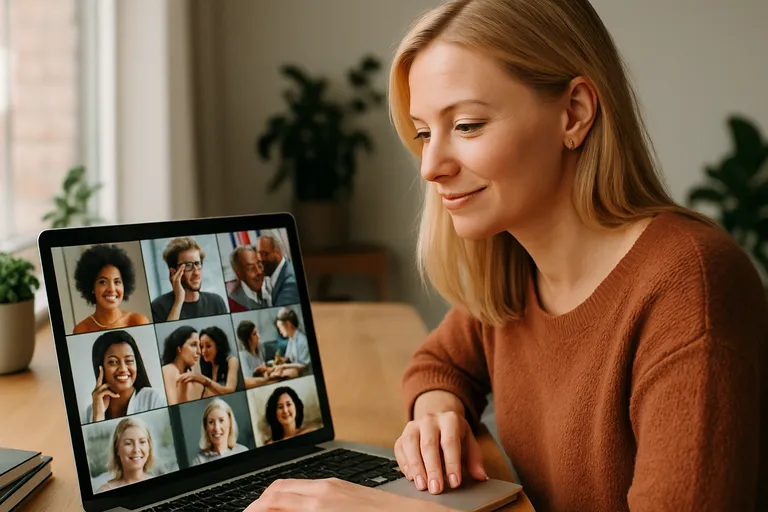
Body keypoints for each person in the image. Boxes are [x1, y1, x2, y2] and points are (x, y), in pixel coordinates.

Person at [246, 1, 768, 511]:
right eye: (425, 132)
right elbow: (440, 363)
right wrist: (437, 411)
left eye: (468, 125)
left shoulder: (692, 286)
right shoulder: (514, 266)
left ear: (575, 113)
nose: (430, 166)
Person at [83, 330, 166, 424]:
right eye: (113, 362)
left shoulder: (154, 399)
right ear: (100, 367)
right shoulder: (90, 411)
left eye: (129, 360)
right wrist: (98, 416)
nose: (123, 369)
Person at [72, 244, 150, 334]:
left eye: (117, 282)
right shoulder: (81, 330)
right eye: (103, 282)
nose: (112, 289)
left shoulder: (138, 321)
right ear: (91, 287)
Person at [150, 237, 228, 322]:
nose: (196, 273)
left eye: (197, 264)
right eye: (188, 265)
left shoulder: (216, 302)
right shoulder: (158, 306)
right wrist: (178, 301)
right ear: (173, 272)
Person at [96, 417, 155, 492]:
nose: (136, 450)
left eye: (142, 442)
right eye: (128, 443)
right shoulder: (105, 490)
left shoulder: (160, 483)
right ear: (117, 449)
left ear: (149, 446)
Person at [191, 398, 249, 465]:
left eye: (221, 420)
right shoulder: (199, 461)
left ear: (230, 422)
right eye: (211, 422)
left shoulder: (243, 451)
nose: (216, 428)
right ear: (205, 427)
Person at [160, 325, 204, 406]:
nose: (199, 351)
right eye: (194, 345)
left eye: (200, 346)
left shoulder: (193, 376)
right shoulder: (169, 370)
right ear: (179, 348)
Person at [254, 235, 299, 307]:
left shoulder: (290, 282)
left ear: (278, 252)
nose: (261, 259)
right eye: (259, 254)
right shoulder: (273, 275)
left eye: (265, 254)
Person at [199, 326, 241, 398]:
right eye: (201, 346)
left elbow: (230, 390)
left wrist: (206, 381)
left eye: (208, 346)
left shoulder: (232, 360)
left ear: (218, 346)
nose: (204, 351)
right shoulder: (206, 365)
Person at [268, 307, 310, 379]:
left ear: (288, 324)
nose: (280, 331)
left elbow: (304, 365)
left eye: (280, 327)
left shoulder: (302, 340)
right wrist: (279, 360)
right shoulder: (291, 339)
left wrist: (284, 366)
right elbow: (288, 358)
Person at [228, 245, 271, 312]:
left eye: (259, 265)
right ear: (239, 274)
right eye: (251, 268)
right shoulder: (234, 305)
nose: (259, 272)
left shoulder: (272, 285)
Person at [236, 320, 272, 389]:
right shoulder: (243, 356)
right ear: (248, 340)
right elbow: (247, 382)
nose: (259, 336)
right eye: (254, 334)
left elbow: (264, 364)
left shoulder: (260, 347)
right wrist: (267, 379)